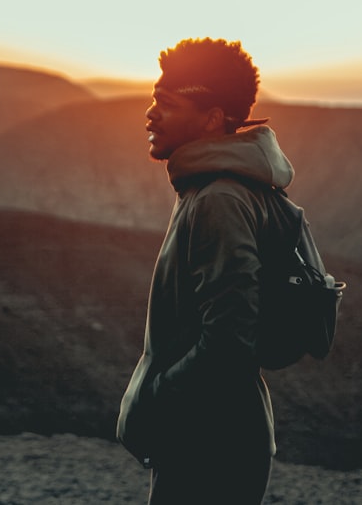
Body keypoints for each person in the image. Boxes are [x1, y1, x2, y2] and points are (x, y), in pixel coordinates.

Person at [117, 38, 297, 504]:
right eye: (153, 100)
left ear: (213, 118)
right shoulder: (210, 191)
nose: (151, 114)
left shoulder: (219, 199)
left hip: (210, 445)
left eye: (167, 103)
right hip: (209, 435)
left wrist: (158, 399)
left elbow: (230, 340)